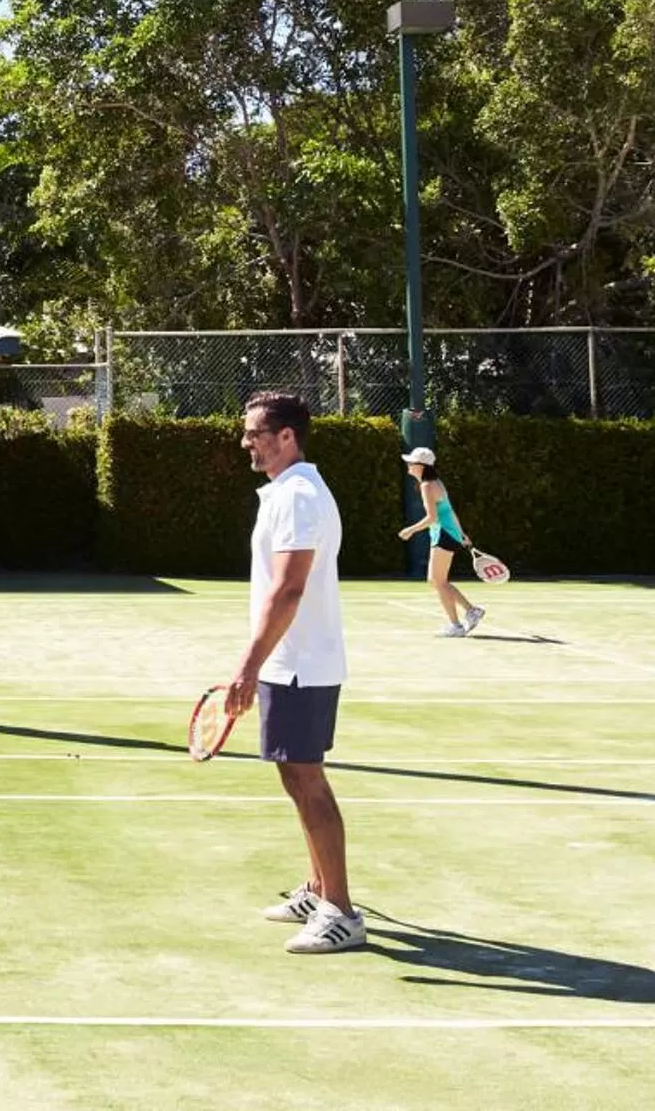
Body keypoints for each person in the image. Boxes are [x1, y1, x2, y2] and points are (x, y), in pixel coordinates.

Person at [229, 389, 363, 955]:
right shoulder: (285, 492)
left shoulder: (300, 496)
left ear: (287, 436)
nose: (246, 443)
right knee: (294, 776)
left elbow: (289, 589)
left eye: (255, 434)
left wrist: (247, 665)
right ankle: (318, 889)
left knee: (309, 781)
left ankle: (342, 913)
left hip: (302, 666)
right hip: (289, 664)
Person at [398, 445, 484, 636]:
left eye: (411, 462)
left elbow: (432, 517)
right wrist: (461, 533)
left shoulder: (427, 486)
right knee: (437, 581)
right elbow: (450, 511)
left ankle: (457, 625)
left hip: (444, 535)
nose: (409, 465)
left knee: (438, 581)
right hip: (447, 534)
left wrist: (410, 530)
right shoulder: (436, 482)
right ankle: (471, 612)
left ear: (421, 466)